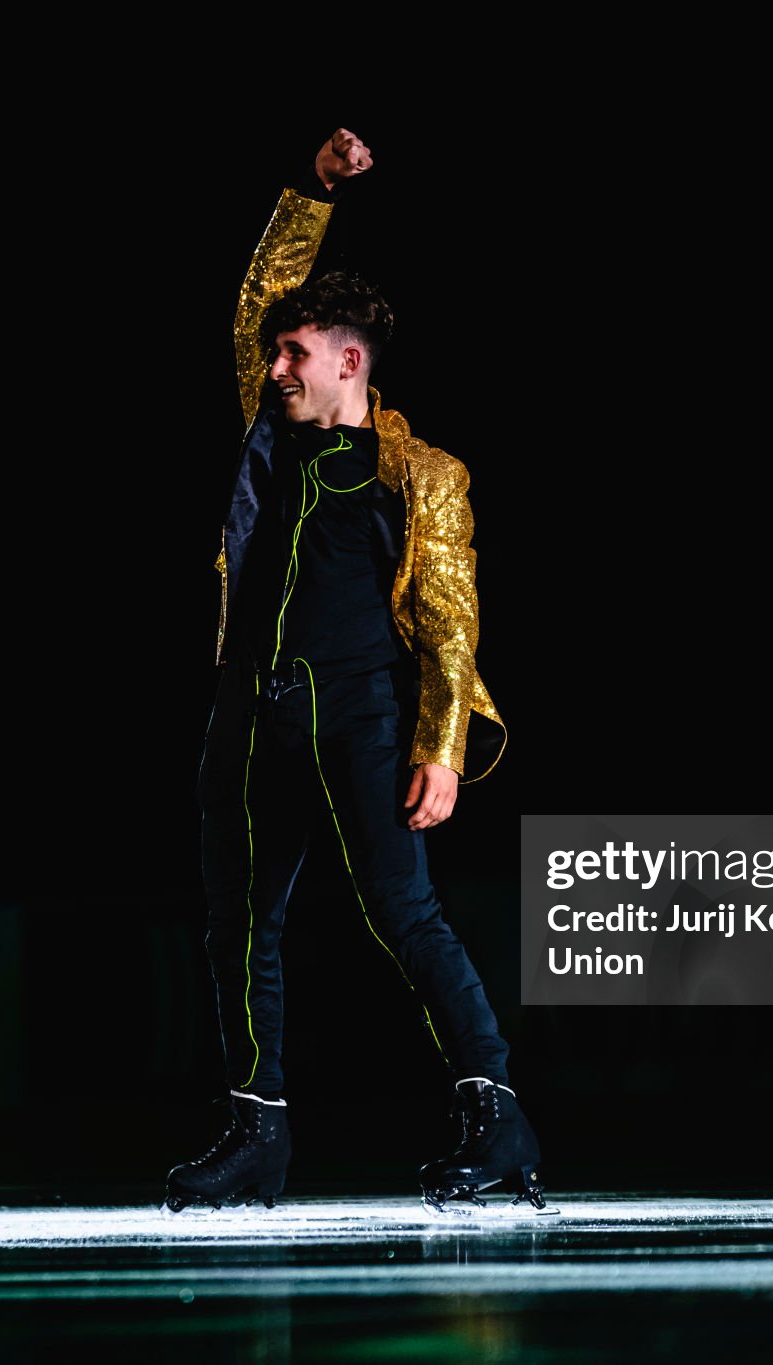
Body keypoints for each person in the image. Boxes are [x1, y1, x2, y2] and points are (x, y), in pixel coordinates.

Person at [164, 129, 548, 1216]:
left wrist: (441, 746)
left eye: (295, 353)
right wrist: (312, 192)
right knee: (238, 922)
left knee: (402, 912)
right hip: (250, 705)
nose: (275, 367)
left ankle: (496, 1115)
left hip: (362, 708)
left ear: (349, 361)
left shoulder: (419, 472)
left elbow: (451, 619)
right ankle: (256, 1132)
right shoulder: (270, 434)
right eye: (272, 355)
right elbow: (257, 299)